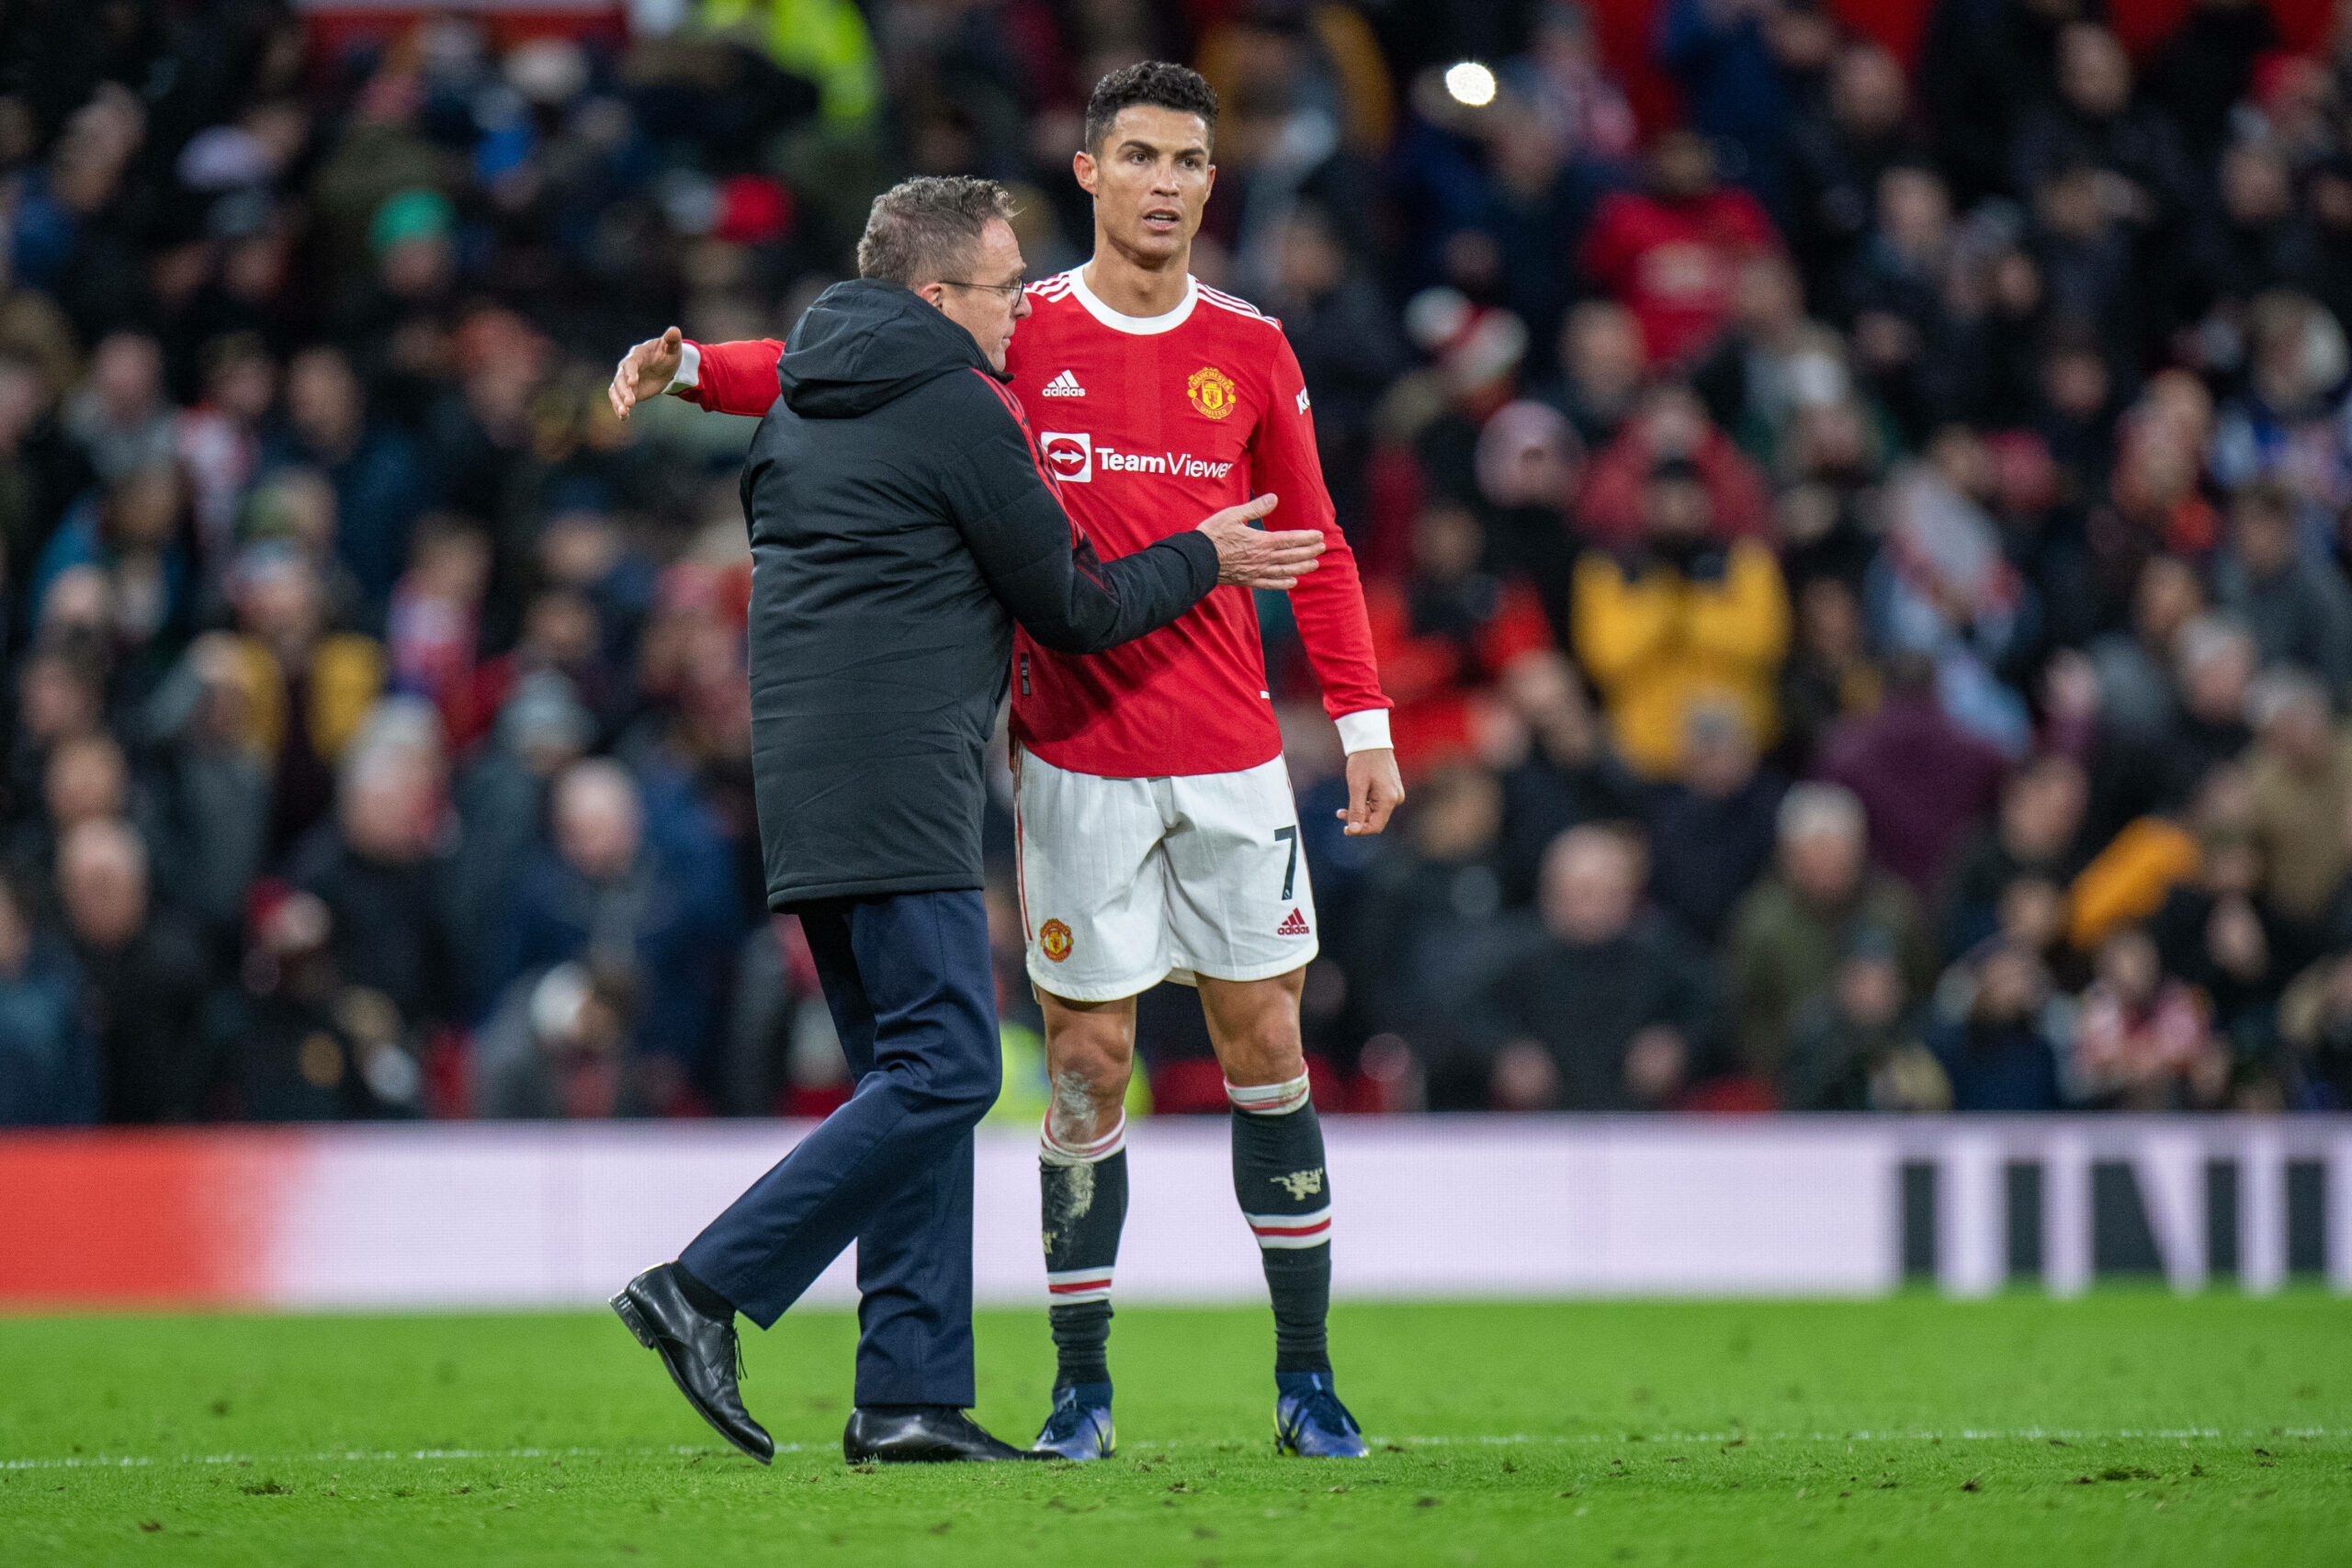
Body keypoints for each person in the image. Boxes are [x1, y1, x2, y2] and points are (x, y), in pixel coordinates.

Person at [618, 64, 1403, 1463]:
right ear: (1091, 172)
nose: (1169, 181)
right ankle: (1075, 1390)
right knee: (1086, 1069)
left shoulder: (1254, 345)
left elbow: (1325, 544)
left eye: (1193, 160)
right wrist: (695, 373)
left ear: (1214, 185)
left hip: (1231, 753)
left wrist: (1361, 721)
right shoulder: (1008, 327)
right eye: (1143, 155)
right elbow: (830, 378)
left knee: (1268, 1045)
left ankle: (1305, 1379)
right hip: (1075, 755)